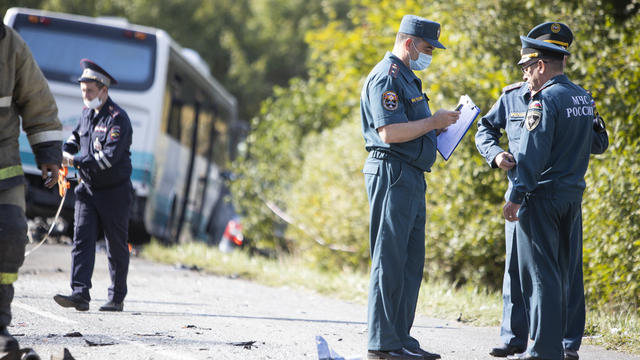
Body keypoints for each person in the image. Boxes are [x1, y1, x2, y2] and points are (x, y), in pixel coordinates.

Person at [475, 22, 608, 360]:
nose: (525, 75)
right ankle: (526, 339)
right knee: (537, 271)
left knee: (545, 274)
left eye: (527, 67)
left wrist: (516, 195)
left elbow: (533, 157)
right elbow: (595, 141)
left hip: (538, 195)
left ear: (540, 64)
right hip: (568, 194)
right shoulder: (580, 96)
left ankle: (547, 348)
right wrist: (496, 155)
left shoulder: (543, 100)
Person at [360, 14, 460, 360]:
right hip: (392, 173)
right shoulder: (387, 78)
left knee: (410, 260)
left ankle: (400, 338)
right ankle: (382, 343)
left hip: (412, 176)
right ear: (408, 43)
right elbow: (389, 133)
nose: (429, 54)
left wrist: (438, 130)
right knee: (390, 258)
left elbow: (412, 127)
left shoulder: (408, 78)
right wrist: (433, 122)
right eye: (427, 47)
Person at [0, 23, 63, 353]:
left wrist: (49, 153)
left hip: (3, 167)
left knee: (10, 237)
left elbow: (37, 99)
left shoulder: (11, 45)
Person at [53, 59, 133, 312]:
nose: (86, 96)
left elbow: (107, 158)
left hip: (114, 193)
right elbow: (76, 135)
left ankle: (116, 297)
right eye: (83, 91)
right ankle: (80, 294)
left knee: (115, 246)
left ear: (104, 91)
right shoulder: (87, 112)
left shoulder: (118, 119)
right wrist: (67, 150)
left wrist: (73, 160)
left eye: (90, 91)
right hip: (87, 191)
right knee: (81, 240)